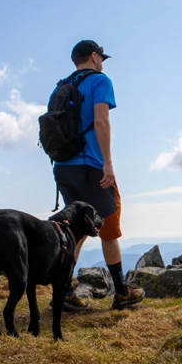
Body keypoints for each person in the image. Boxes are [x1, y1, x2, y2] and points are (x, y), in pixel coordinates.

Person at [52, 39, 144, 311]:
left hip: (63, 168)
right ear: (94, 56)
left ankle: (63, 292)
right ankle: (122, 293)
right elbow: (101, 121)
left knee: (76, 231)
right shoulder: (100, 81)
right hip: (90, 167)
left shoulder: (60, 87)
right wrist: (108, 164)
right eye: (101, 58)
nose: (102, 63)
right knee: (109, 227)